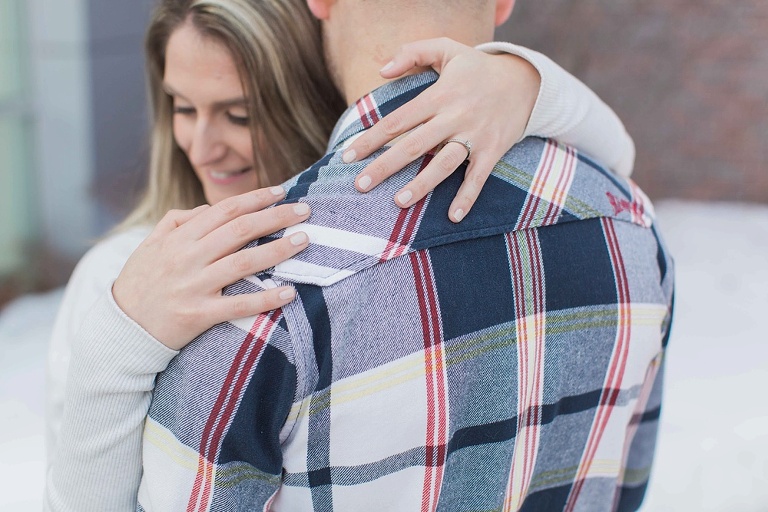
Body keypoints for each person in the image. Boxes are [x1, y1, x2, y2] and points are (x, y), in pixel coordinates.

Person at [44, 0, 646, 510]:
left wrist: (523, 82)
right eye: (181, 107)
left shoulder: (265, 303)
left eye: (238, 114)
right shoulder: (628, 226)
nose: (202, 146)